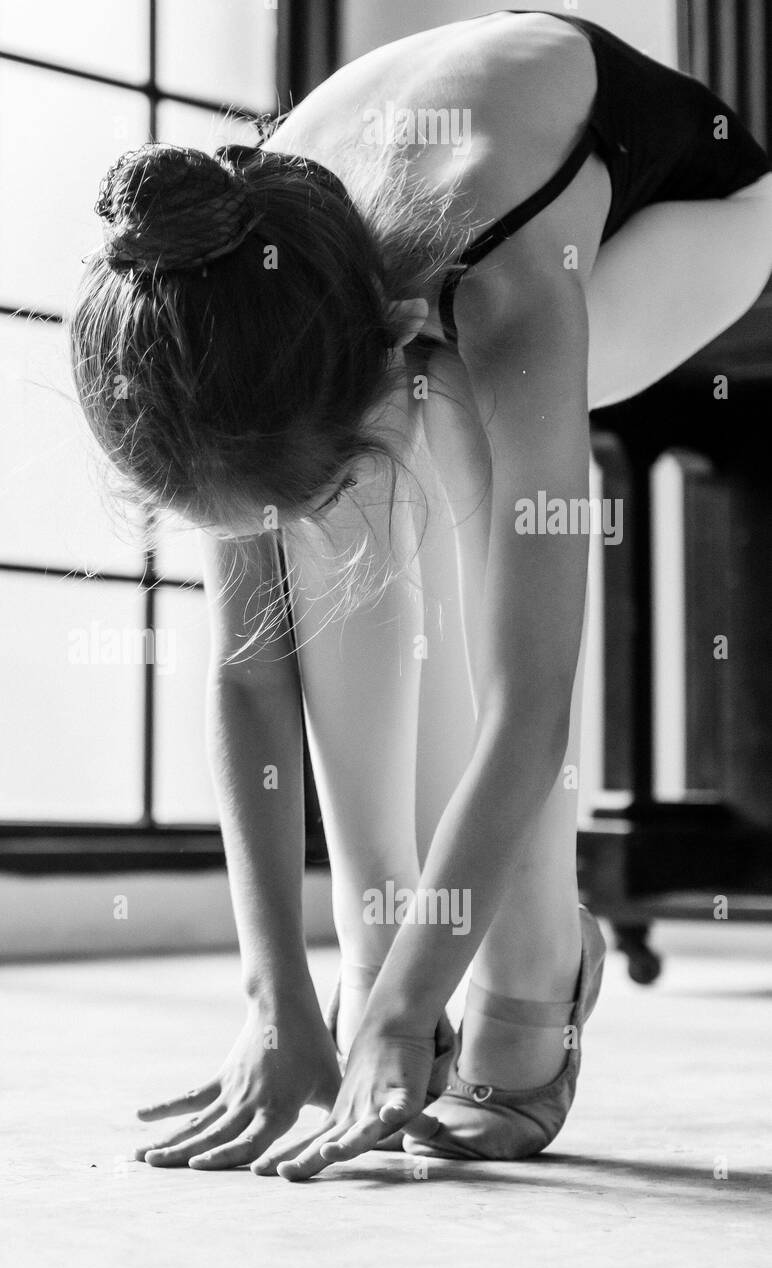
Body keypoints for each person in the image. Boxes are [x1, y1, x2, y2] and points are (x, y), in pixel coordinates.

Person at [69, 10, 772, 1177]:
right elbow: (248, 674)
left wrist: (405, 1013)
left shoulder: (495, 286)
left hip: (694, 215)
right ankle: (374, 962)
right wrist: (275, 992)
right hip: (407, 254)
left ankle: (530, 986)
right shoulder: (212, 312)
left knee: (445, 411)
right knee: (336, 504)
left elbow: (526, 708)